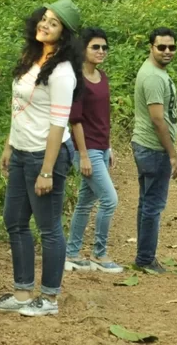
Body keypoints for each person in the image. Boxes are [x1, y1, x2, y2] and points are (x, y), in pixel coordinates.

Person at [0, 0, 83, 317]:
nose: (45, 24)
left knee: (49, 226)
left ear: (64, 34)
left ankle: (50, 298)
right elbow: (18, 108)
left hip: (46, 154)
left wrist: (47, 170)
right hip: (21, 150)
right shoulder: (30, 57)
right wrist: (8, 145)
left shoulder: (63, 72)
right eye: (45, 18)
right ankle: (23, 292)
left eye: (54, 23)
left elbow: (58, 123)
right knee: (14, 220)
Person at [64, 28, 124, 273]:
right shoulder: (77, 79)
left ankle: (71, 253)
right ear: (83, 50)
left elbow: (102, 117)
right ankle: (99, 253)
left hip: (101, 148)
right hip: (86, 151)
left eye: (104, 47)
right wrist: (85, 154)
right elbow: (75, 119)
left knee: (85, 203)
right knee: (110, 200)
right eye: (95, 47)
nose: (101, 51)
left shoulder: (103, 77)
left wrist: (108, 147)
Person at [131, 26, 177, 274]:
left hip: (147, 146)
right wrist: (172, 154)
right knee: (153, 205)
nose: (167, 51)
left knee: (146, 202)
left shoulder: (157, 72)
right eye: (161, 47)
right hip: (153, 148)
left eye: (172, 47)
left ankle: (144, 255)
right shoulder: (152, 77)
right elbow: (157, 119)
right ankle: (145, 258)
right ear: (151, 47)